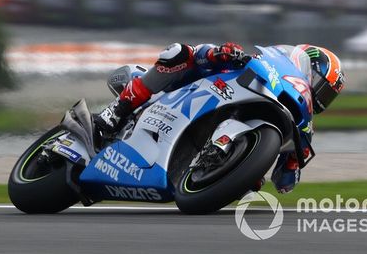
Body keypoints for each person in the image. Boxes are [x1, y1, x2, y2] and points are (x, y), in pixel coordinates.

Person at [94, 42, 346, 194]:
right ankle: (116, 111)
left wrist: (288, 164)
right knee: (179, 53)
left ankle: (214, 169)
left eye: (327, 95)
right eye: (321, 86)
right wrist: (220, 53)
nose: (320, 96)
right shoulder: (266, 64)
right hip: (189, 89)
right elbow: (206, 54)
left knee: (254, 183)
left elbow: (284, 185)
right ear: (308, 67)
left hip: (207, 171)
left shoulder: (304, 127)